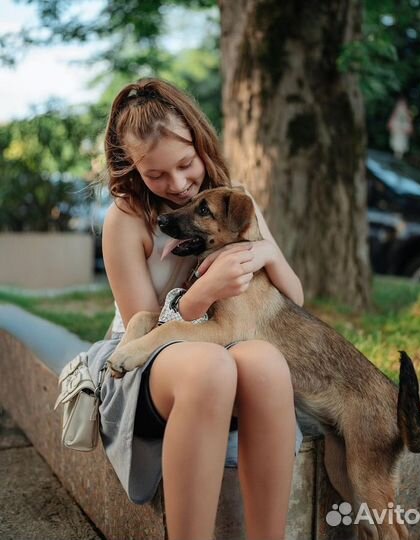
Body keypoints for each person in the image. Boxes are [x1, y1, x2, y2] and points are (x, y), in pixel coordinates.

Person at [88, 77, 304, 540]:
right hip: (146, 363)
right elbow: (142, 329)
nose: (180, 185)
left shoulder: (232, 203)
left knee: (265, 362)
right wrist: (202, 294)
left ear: (202, 144)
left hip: (220, 341)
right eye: (157, 175)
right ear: (133, 170)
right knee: (210, 368)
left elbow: (295, 302)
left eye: (186, 164)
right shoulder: (128, 220)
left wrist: (266, 253)